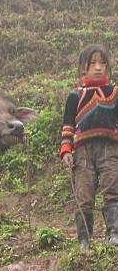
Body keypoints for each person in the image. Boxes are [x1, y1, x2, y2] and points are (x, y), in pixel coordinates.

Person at [60, 44, 118, 250]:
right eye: (93, 63)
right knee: (84, 195)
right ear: (83, 68)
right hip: (82, 152)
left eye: (102, 63)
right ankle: (84, 240)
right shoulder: (75, 96)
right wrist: (66, 150)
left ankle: (114, 233)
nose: (98, 67)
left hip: (110, 150)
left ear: (108, 67)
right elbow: (68, 126)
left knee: (113, 189)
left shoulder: (115, 93)